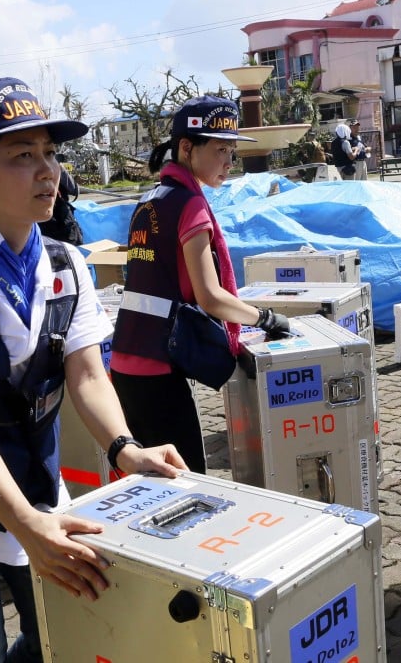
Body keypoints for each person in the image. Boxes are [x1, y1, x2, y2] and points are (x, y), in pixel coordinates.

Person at [0, 76, 188, 662]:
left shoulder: (67, 263)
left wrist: (127, 450)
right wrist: (27, 527)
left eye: (50, 153)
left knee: (64, 637)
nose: (47, 170)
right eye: (22, 156)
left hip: (33, 488)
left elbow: (87, 374)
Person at [110, 95, 290, 475]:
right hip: (158, 373)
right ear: (187, 148)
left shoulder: (149, 201)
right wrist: (267, 318)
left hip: (126, 362)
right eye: (221, 150)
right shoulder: (190, 206)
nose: (229, 161)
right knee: (186, 483)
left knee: (147, 485)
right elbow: (210, 297)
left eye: (232, 151)